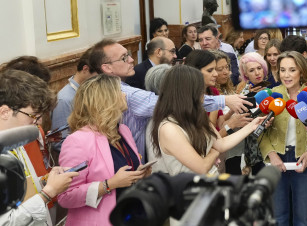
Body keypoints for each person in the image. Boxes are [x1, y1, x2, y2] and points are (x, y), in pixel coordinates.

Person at [88, 39, 250, 163]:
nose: (131, 60)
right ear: (107, 68)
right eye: (124, 58)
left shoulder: (103, 88)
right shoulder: (125, 93)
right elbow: (176, 102)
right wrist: (224, 100)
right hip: (134, 165)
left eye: (129, 55)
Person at [58, 74, 151, 226]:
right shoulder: (78, 141)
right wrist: (109, 184)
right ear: (106, 99)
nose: (125, 94)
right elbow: (66, 196)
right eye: (119, 91)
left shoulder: (123, 130)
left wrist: (139, 174)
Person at [150, 65, 268, 176]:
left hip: (212, 184)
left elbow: (221, 144)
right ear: (186, 92)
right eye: (200, 89)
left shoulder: (197, 114)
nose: (204, 93)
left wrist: (252, 125)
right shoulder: (169, 128)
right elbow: (201, 167)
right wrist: (214, 151)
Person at [0, 69, 78, 226]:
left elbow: (24, 188)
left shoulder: (17, 138)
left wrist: (46, 181)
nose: (39, 122)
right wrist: (48, 193)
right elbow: (6, 222)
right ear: (5, 112)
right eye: (34, 116)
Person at [259, 51, 307, 226]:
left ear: (301, 72)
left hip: (305, 161)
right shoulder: (272, 95)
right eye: (282, 70)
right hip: (276, 161)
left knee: (303, 219)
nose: (286, 75)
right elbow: (259, 132)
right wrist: (271, 155)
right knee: (278, 218)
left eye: (292, 70)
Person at [50, 48, 97, 156]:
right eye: (97, 75)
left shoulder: (87, 91)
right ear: (85, 69)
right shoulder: (65, 99)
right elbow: (59, 143)